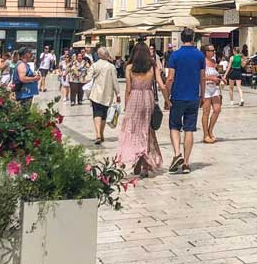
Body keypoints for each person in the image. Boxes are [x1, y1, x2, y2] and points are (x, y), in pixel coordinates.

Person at [115, 42, 164, 178]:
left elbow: (128, 89)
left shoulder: (130, 67)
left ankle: (137, 157)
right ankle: (145, 164)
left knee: (134, 130)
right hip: (148, 98)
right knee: (147, 131)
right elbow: (160, 84)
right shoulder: (152, 67)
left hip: (134, 98)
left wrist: (126, 106)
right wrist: (167, 98)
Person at [165, 28, 205, 174]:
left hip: (177, 96)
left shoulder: (175, 55)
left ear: (182, 39)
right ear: (193, 38)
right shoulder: (199, 55)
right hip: (193, 96)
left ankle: (177, 154)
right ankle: (187, 163)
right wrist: (202, 95)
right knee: (189, 129)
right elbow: (202, 77)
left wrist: (166, 95)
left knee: (174, 126)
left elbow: (170, 78)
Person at [87, 47, 120, 145]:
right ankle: (101, 133)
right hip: (107, 94)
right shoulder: (111, 67)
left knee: (96, 113)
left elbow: (88, 77)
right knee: (104, 115)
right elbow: (115, 81)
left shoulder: (95, 65)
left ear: (98, 55)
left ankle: (97, 134)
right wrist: (117, 93)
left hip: (96, 93)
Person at [201, 45, 223, 143]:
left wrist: (221, 78)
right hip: (205, 87)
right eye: (211, 50)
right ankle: (205, 134)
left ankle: (210, 130)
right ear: (206, 51)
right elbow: (200, 77)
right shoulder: (202, 62)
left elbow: (217, 74)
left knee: (217, 109)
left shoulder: (214, 62)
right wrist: (211, 78)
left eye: (214, 50)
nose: (213, 52)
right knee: (206, 112)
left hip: (214, 88)